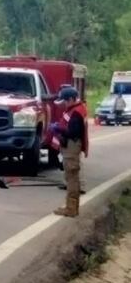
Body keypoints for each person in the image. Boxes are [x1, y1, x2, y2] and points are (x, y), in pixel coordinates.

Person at [51, 87, 88, 217]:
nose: (64, 104)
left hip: (72, 146)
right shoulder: (77, 109)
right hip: (71, 145)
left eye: (66, 102)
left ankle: (71, 209)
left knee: (71, 177)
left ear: (72, 99)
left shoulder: (76, 112)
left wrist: (58, 129)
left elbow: (73, 132)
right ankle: (71, 207)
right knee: (71, 177)